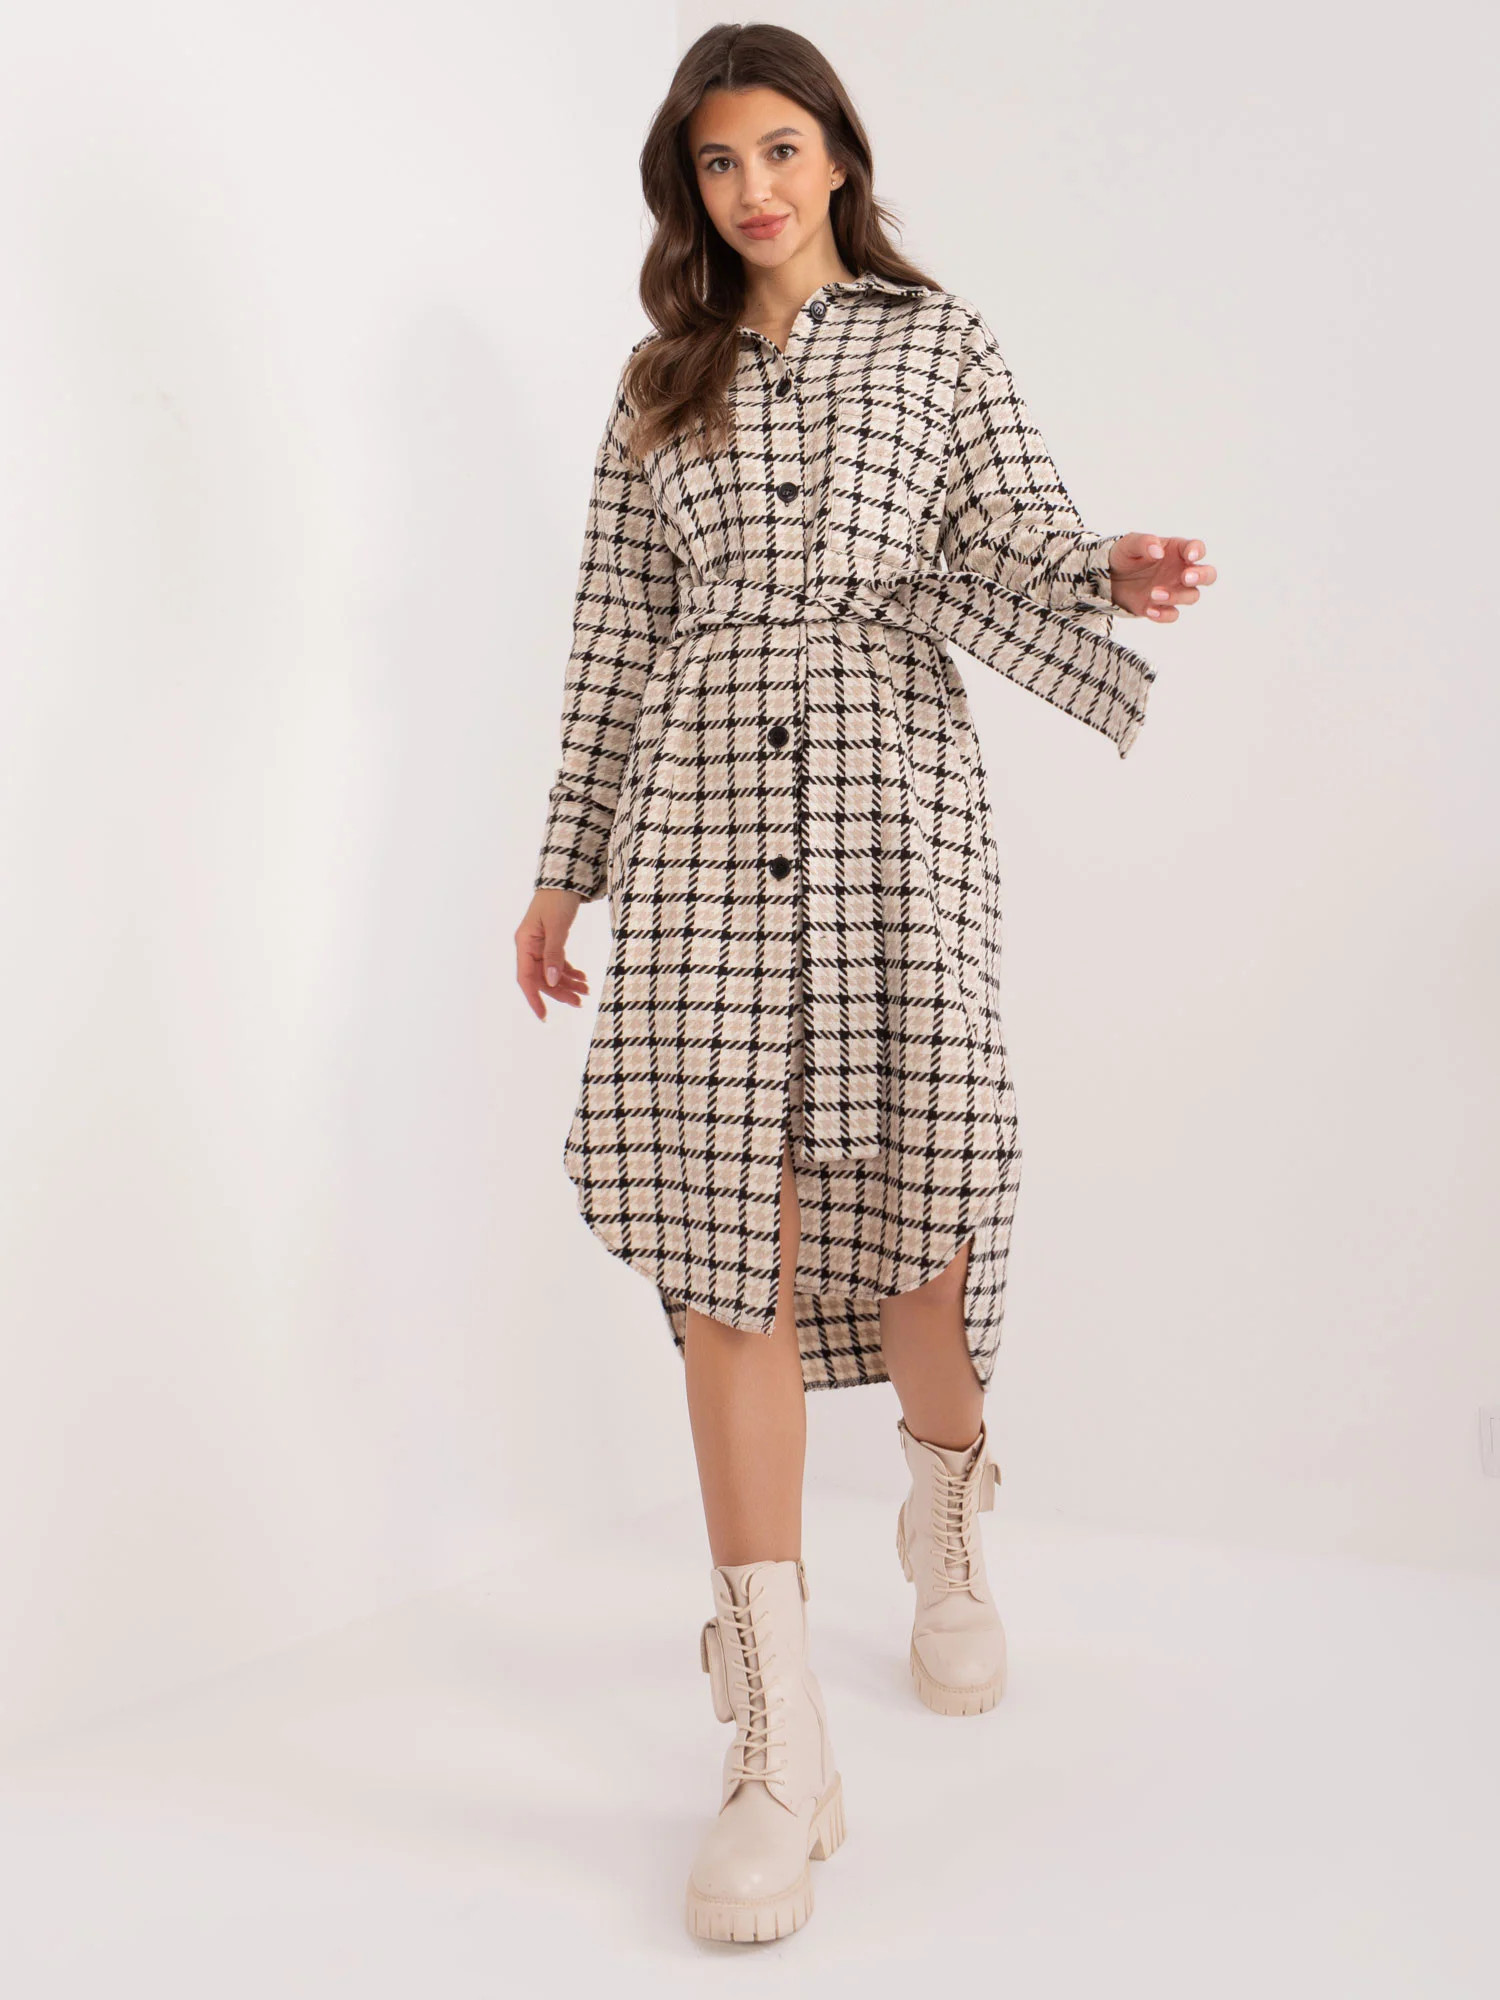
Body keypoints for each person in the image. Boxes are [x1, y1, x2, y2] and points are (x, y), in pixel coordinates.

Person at [515, 22, 1214, 1946]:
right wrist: (566, 870)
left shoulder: (939, 343)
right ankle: (777, 1736)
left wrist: (1106, 566)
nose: (751, 187)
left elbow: (1011, 531)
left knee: (919, 1205)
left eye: (779, 149)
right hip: (704, 827)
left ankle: (946, 1507)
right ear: (690, 185)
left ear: (837, 158)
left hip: (896, 806)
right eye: (717, 160)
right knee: (724, 1236)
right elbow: (613, 631)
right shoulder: (660, 384)